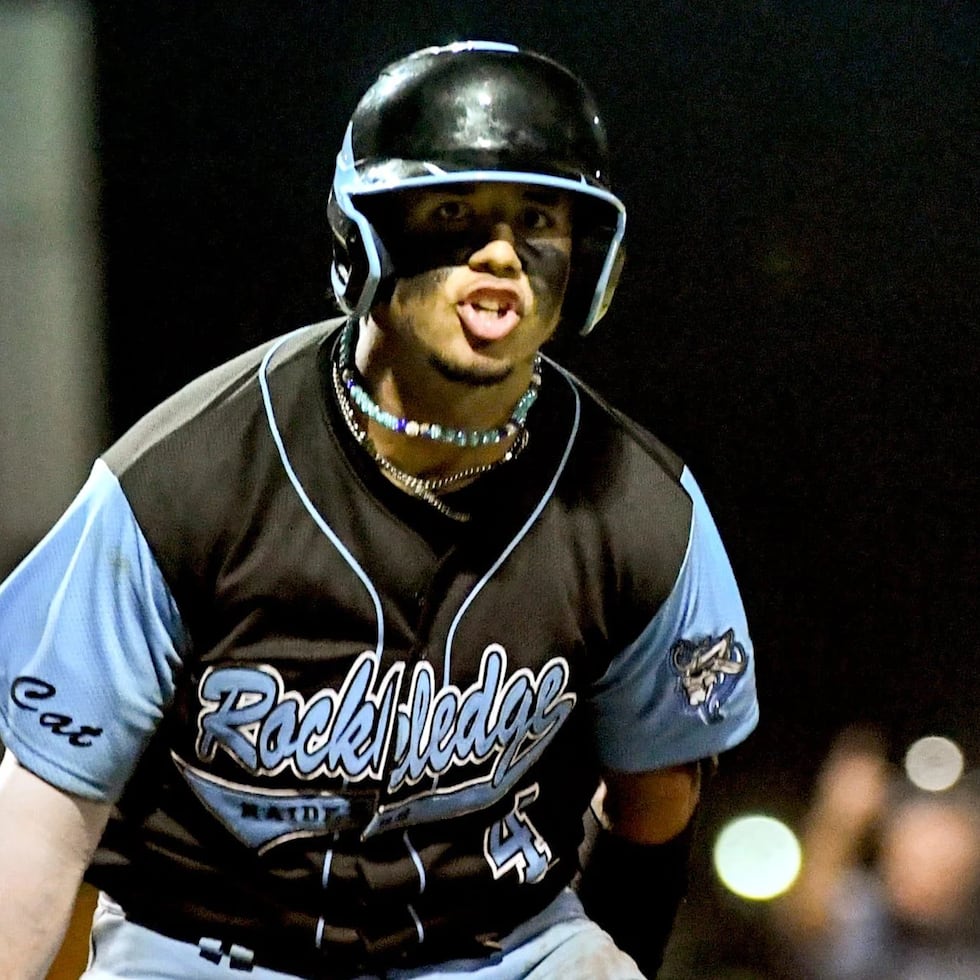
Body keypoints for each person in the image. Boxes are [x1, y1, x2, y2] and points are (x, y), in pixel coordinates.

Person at [0, 40, 758, 979]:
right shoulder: (183, 477)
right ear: (365, 236)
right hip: (206, 944)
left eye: (537, 219)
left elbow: (655, 804)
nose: (500, 254)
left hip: (501, 948)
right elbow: (44, 806)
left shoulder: (642, 509)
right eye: (453, 213)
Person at [774, 729, 980, 980]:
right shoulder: (873, 921)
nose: (922, 879)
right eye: (910, 862)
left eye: (942, 866)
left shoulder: (967, 942)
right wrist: (838, 822)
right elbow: (805, 921)